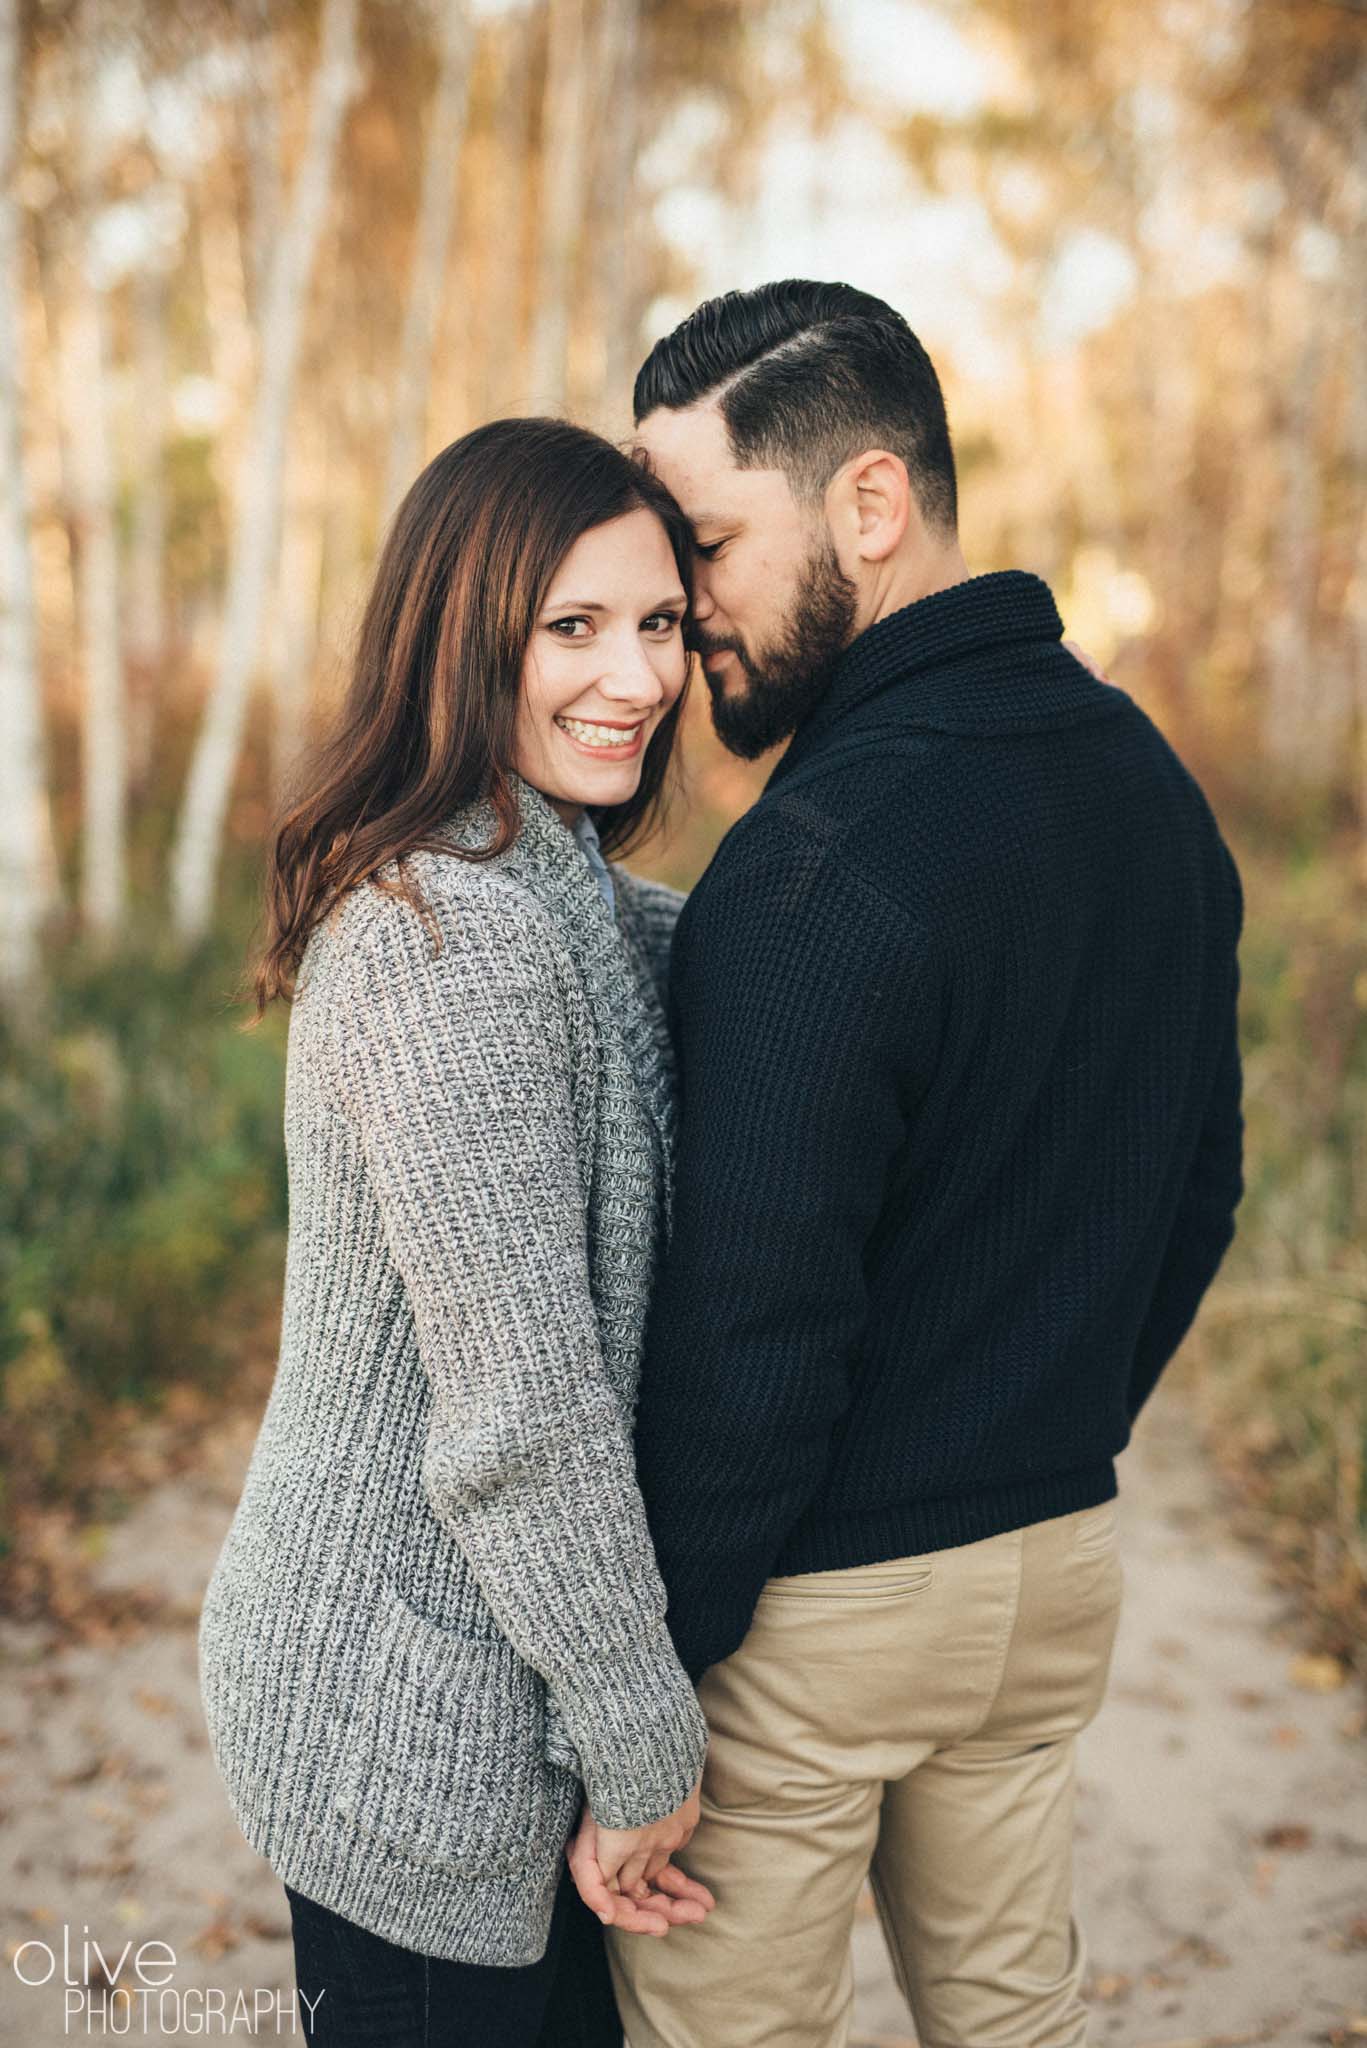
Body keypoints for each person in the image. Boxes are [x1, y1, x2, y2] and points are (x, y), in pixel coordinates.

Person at [603, 280, 1246, 2048]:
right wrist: (1043, 1429)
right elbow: (1200, 1195)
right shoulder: (1153, 793)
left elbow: (753, 1339)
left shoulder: (813, 867)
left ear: (868, 508)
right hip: (1055, 1567)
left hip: (821, 1601)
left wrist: (655, 1679)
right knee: (1016, 2023)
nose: (683, 610)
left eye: (707, 544)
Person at [196, 417, 717, 2048]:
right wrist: (645, 1751)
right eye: (574, 628)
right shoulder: (448, 945)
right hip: (402, 1721)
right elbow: (519, 1417)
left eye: (662, 626)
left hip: (478, 1687)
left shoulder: (545, 881)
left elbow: (743, 952)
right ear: (461, 634)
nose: (635, 677)